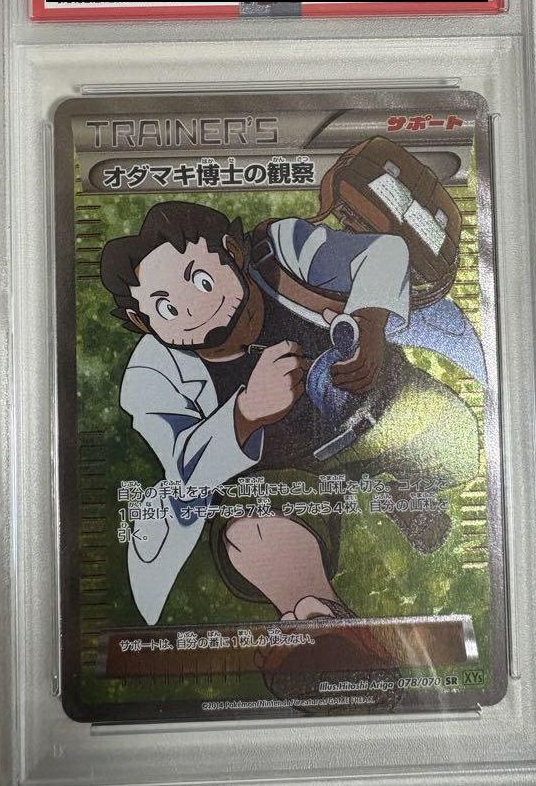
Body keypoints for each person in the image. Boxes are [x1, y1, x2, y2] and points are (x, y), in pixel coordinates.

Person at [101, 201, 481, 626]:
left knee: (462, 448)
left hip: (379, 411)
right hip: (288, 475)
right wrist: (245, 414)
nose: (193, 310)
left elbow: (384, 251)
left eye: (202, 281)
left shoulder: (280, 253)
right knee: (252, 531)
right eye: (167, 308)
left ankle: (394, 490)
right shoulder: (153, 373)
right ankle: (318, 617)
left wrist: (370, 325)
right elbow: (184, 473)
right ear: (141, 320)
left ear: (232, 250)